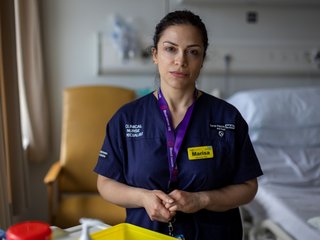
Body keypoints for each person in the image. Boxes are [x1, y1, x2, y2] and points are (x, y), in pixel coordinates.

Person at [94, 10, 263, 240]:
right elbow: (105, 182)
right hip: (147, 234)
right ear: (155, 54)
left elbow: (248, 187)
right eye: (170, 48)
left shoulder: (228, 118)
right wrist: (143, 198)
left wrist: (202, 199)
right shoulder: (126, 119)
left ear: (202, 60)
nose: (180, 60)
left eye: (192, 52)